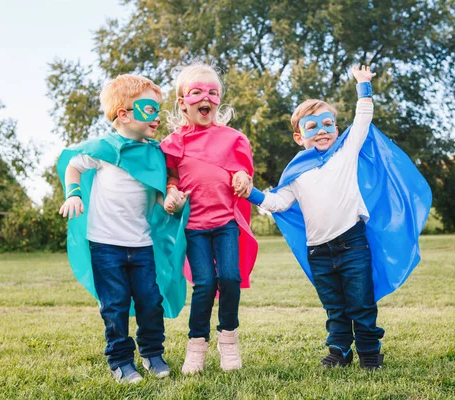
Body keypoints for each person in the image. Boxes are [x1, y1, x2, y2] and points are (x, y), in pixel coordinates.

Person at [244, 65, 432, 369]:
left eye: (328, 123)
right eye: (312, 126)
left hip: (353, 245)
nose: (321, 130)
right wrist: (251, 193)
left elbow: (362, 121)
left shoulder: (345, 154)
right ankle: (339, 351)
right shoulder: (295, 174)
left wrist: (363, 86)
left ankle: (370, 352)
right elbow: (277, 202)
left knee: (361, 303)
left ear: (335, 127)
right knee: (334, 307)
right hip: (319, 251)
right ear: (298, 136)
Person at [56, 74, 188, 383]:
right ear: (124, 114)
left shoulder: (154, 154)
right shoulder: (103, 149)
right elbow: (73, 164)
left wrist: (172, 203)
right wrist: (73, 193)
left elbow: (158, 194)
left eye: (158, 108)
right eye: (148, 109)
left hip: (141, 245)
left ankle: (152, 353)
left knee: (150, 302)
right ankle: (120, 361)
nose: (156, 115)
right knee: (114, 306)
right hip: (105, 245)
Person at [160, 63, 257, 374]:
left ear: (219, 100)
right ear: (183, 102)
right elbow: (170, 179)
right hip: (195, 228)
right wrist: (172, 192)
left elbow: (242, 171)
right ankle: (196, 346)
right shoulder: (174, 144)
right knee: (204, 284)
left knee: (230, 278)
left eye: (213, 92)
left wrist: (243, 177)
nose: (207, 97)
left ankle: (228, 339)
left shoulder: (232, 138)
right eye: (197, 92)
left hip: (225, 223)